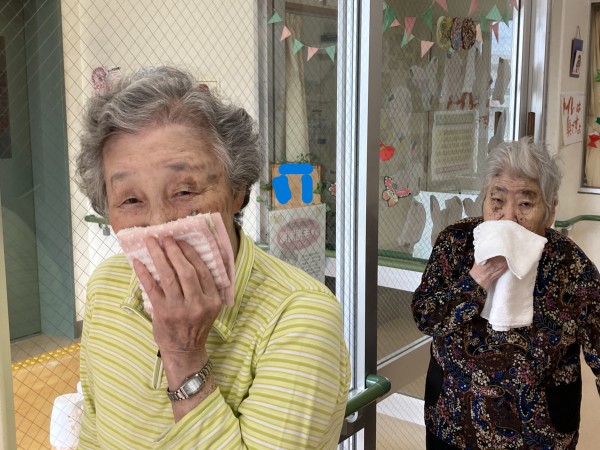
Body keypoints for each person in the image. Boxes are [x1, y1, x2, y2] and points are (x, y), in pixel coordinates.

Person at [75, 66, 350, 449]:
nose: (160, 223)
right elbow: (93, 431)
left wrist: (183, 355)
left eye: (184, 191)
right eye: (131, 199)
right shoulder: (105, 287)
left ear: (237, 190)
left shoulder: (301, 317)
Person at [412, 138, 600, 449]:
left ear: (550, 210)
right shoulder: (456, 244)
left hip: (539, 434)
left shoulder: (571, 266)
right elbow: (425, 316)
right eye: (497, 201)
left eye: (525, 204)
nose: (508, 217)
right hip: (453, 422)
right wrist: (477, 278)